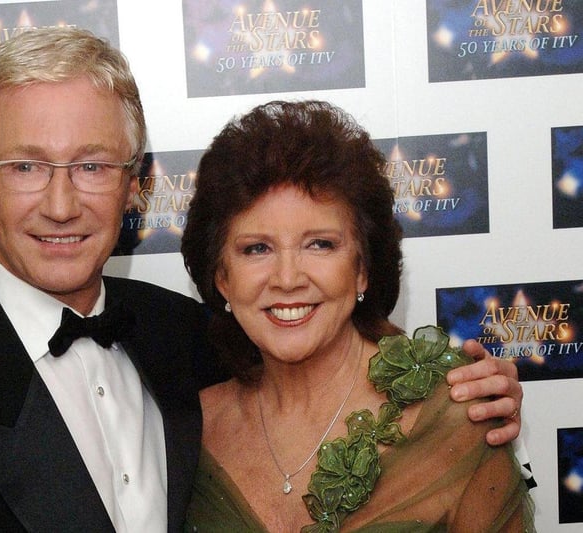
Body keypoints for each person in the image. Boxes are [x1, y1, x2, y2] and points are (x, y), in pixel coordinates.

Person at [0, 29, 522, 532]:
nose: (62, 204)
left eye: (92, 165)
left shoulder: (184, 339)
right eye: (27, 166)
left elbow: (320, 334)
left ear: (135, 183)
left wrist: (452, 384)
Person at [180, 100, 534, 532]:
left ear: (363, 268)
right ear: (222, 277)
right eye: (257, 248)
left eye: (320, 244)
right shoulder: (186, 431)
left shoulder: (459, 413)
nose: (288, 278)